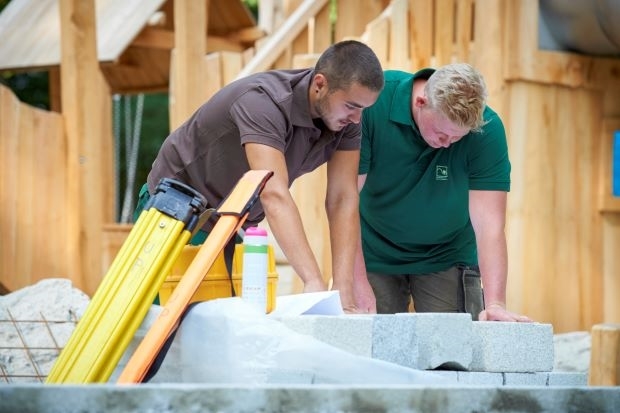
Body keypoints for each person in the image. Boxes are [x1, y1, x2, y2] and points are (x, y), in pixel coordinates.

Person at [137, 40, 384, 313]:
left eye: (364, 109)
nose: (357, 118)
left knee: (224, 329)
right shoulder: (262, 102)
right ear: (320, 84)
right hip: (174, 213)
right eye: (351, 106)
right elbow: (273, 193)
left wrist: (343, 291)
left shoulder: (346, 122)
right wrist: (313, 281)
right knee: (160, 330)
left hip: (231, 225)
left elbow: (343, 199)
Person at [352, 63, 532, 322]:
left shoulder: (487, 129)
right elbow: (345, 200)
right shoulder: (375, 103)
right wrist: (354, 279)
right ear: (422, 101)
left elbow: (489, 227)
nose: (447, 144)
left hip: (446, 253)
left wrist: (495, 303)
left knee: (453, 352)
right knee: (370, 346)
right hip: (373, 250)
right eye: (441, 133)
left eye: (457, 138)